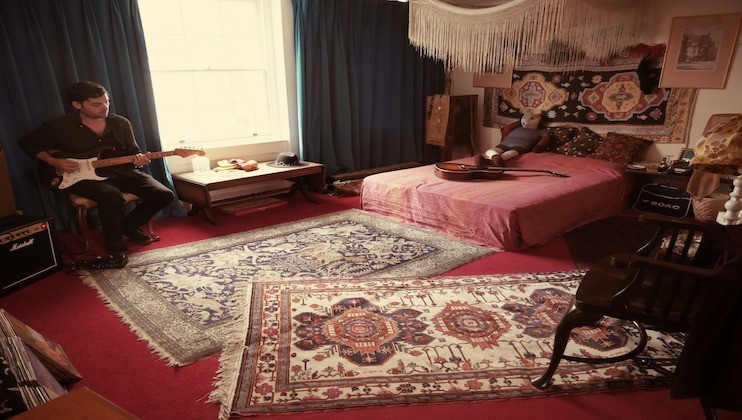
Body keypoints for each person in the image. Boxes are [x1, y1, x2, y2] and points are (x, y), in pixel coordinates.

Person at [19, 81, 174, 255]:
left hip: (121, 171)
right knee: (111, 196)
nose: (104, 107)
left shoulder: (121, 123)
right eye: (96, 104)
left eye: (106, 101)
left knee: (164, 195)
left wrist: (139, 160)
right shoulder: (59, 126)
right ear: (77, 105)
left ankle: (128, 225)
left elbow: (133, 152)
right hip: (80, 176)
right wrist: (54, 162)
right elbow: (26, 143)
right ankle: (113, 242)